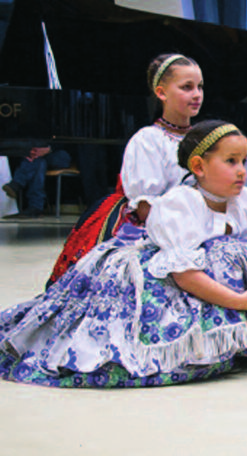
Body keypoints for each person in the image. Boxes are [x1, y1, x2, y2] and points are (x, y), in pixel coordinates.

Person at [0, 121, 247, 388]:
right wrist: (241, 301)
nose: (242, 170)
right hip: (168, 278)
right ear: (198, 166)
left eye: (243, 161)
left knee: (245, 253)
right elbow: (184, 275)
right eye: (230, 161)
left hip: (207, 277)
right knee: (220, 254)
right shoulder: (177, 205)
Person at [47, 53, 203, 287]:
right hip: (159, 229)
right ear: (161, 93)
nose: (197, 94)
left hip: (201, 224)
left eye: (200, 87)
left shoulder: (204, 139)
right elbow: (145, 208)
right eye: (187, 87)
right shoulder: (148, 140)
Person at [3, 144, 71, 219]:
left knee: (37, 161)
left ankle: (17, 183)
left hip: (58, 154)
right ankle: (35, 207)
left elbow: (66, 143)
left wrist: (48, 149)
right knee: (39, 163)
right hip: (38, 155)